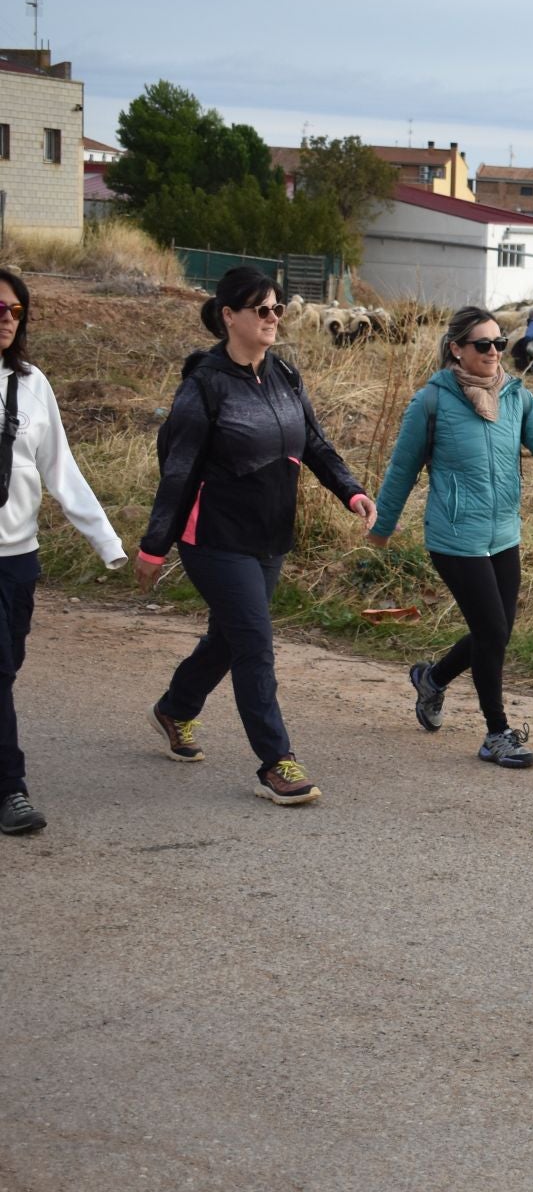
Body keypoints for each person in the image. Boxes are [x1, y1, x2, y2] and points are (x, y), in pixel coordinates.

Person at [137, 267, 374, 806]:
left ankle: (175, 708)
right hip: (214, 538)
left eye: (277, 309)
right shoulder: (205, 386)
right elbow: (177, 471)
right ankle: (276, 762)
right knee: (255, 645)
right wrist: (155, 545)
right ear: (229, 316)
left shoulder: (285, 375)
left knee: (232, 637)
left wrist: (351, 492)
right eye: (261, 309)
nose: (273, 318)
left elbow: (315, 444)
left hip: (270, 536)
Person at [368, 306, 533, 769]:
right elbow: (401, 468)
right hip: (454, 536)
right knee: (491, 631)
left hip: (503, 533)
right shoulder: (430, 401)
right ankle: (496, 733)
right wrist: (382, 525)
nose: (493, 352)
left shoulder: (515, 397)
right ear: (456, 349)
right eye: (482, 345)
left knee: (498, 630)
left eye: (499, 344)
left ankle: (433, 678)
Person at [0, 267, 128, 834]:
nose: (7, 318)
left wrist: (105, 541)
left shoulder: (31, 384)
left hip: (18, 560)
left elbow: (60, 470)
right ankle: (12, 790)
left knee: (8, 669)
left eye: (15, 311)